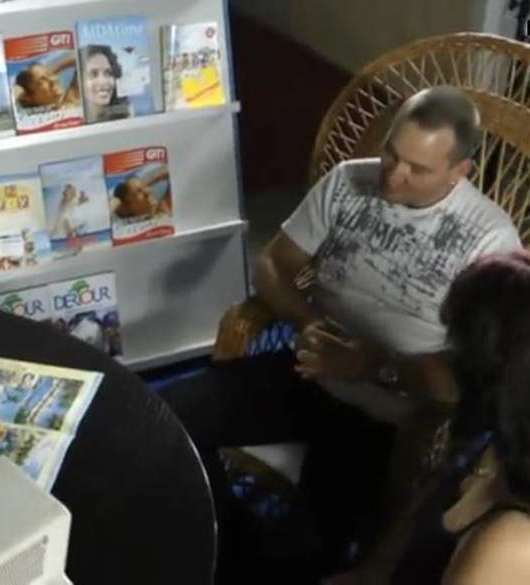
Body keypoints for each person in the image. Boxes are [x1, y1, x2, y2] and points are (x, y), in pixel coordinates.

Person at [160, 86, 523, 583]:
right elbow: (273, 265)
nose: (393, 175)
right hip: (306, 370)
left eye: (417, 169)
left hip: (388, 416)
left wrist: (368, 364)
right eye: (392, 154)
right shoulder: (348, 180)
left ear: (459, 170)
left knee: (302, 556)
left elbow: (466, 380)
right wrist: (308, 320)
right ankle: (223, 537)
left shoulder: (490, 241)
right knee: (166, 419)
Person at [334, 250, 530, 584]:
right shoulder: (484, 445)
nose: (448, 358)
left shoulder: (511, 544)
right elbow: (394, 551)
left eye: (461, 349)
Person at [78, 45, 130, 122]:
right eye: (93, 74)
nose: (103, 81)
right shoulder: (71, 123)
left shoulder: (128, 119)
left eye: (108, 73)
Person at [14, 53, 80, 110]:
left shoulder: (70, 101)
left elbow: (79, 59)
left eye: (51, 75)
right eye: (42, 80)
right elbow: (14, 93)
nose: (54, 79)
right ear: (26, 96)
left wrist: (49, 73)